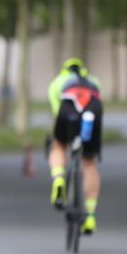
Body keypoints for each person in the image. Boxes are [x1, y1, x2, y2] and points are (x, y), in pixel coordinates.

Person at [47, 58, 103, 235]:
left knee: (59, 145)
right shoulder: (94, 82)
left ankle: (58, 179)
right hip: (92, 111)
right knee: (89, 162)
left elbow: (58, 114)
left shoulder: (57, 83)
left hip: (68, 109)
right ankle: (90, 215)